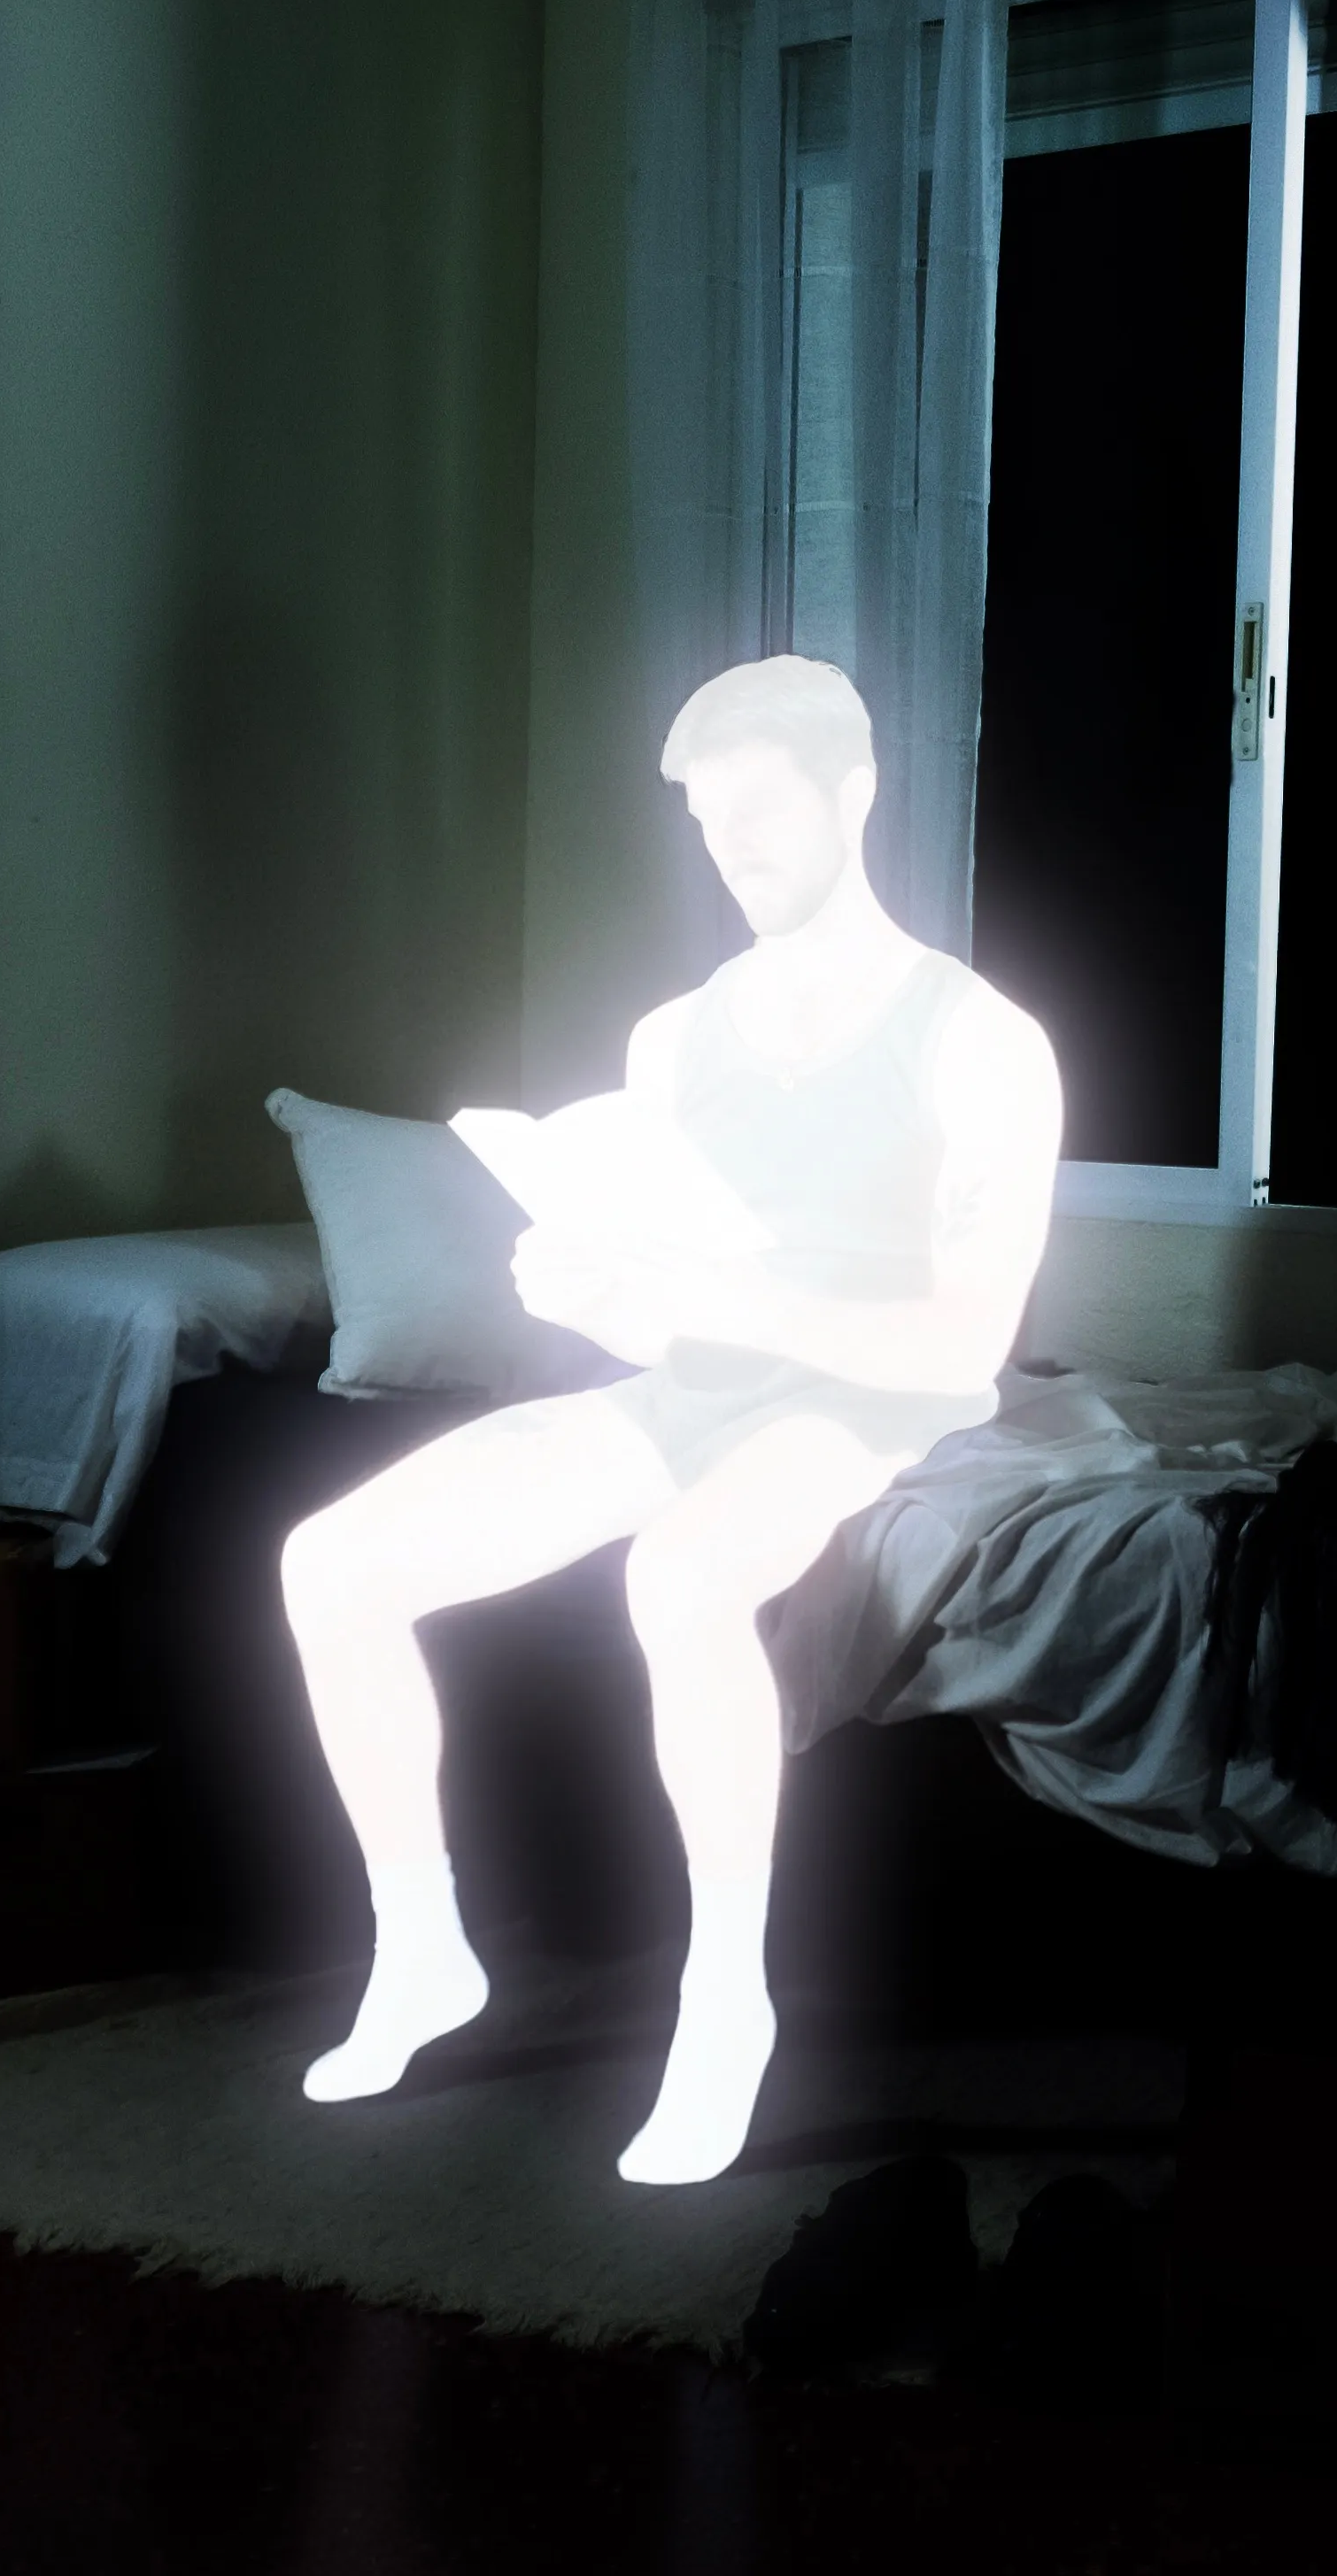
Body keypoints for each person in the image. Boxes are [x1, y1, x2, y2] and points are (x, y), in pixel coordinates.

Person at [278, 656, 1063, 2184]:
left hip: (872, 1401)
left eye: (760, 811)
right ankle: (422, 1944)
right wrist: (587, 1288)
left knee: (682, 1573)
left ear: (852, 793)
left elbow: (967, 1338)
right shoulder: (674, 1037)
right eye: (708, 822)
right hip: (693, 1384)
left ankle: (723, 2003)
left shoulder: (979, 1039)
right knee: (329, 1561)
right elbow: (659, 1317)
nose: (733, 848)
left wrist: (729, 1305)